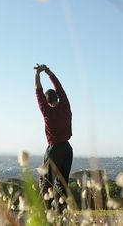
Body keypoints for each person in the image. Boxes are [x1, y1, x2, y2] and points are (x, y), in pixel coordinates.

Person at [34, 63, 73, 210]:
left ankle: (47, 214)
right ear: (58, 98)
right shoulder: (66, 106)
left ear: (47, 102)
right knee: (62, 185)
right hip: (68, 150)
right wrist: (48, 71)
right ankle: (61, 213)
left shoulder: (47, 112)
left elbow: (38, 91)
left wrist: (37, 74)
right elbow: (59, 87)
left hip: (55, 149)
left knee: (46, 183)